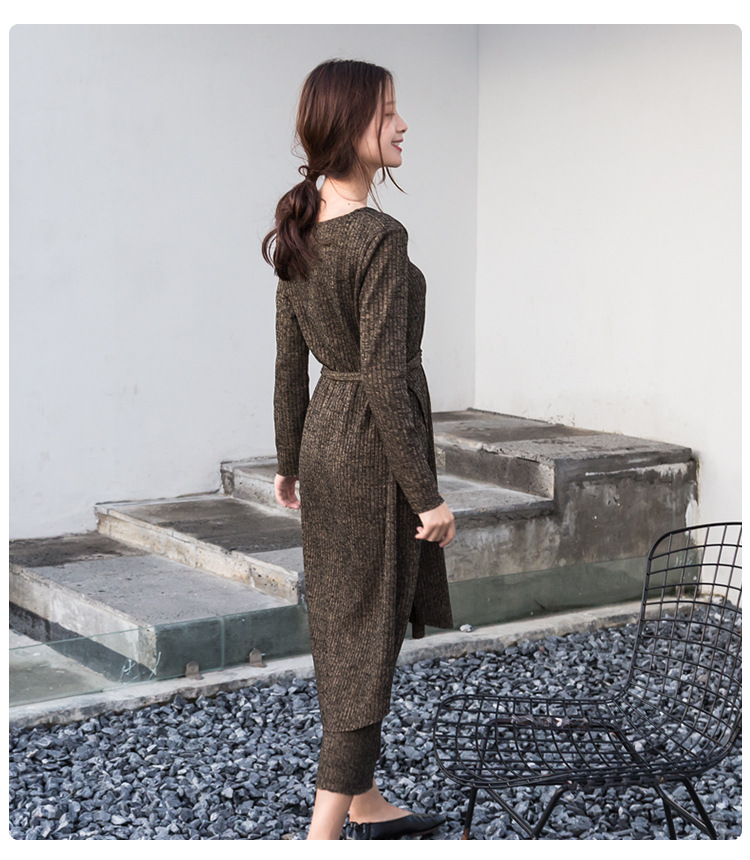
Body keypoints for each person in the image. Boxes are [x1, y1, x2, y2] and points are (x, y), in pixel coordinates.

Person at [264, 58, 455, 841]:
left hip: (325, 445)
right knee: (369, 640)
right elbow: (382, 376)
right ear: (351, 129)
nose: (403, 124)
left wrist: (289, 459)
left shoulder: (303, 225)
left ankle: (367, 798)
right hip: (373, 454)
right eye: (388, 112)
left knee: (345, 626)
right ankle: (323, 836)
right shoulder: (378, 235)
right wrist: (427, 496)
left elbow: (288, 363)